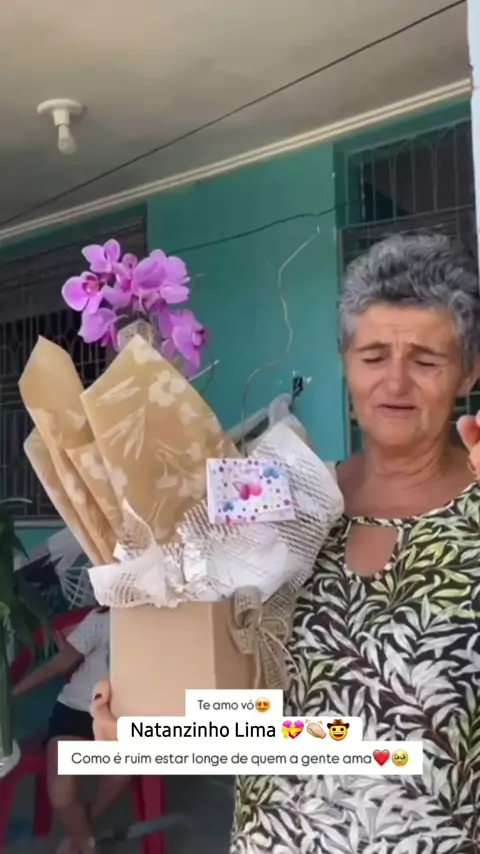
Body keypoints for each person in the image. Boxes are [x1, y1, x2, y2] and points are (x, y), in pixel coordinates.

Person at [89, 233, 480, 853]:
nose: (395, 382)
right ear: (344, 360)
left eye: (427, 360)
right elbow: (254, 723)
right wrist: (146, 731)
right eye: (373, 355)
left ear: (469, 372)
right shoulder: (281, 496)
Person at [14, 607, 129, 854]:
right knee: (61, 791)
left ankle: (80, 836)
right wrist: (12, 694)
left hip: (123, 717)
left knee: (122, 771)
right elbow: (61, 662)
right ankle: (86, 843)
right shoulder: (103, 618)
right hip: (77, 708)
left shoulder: (166, 626)